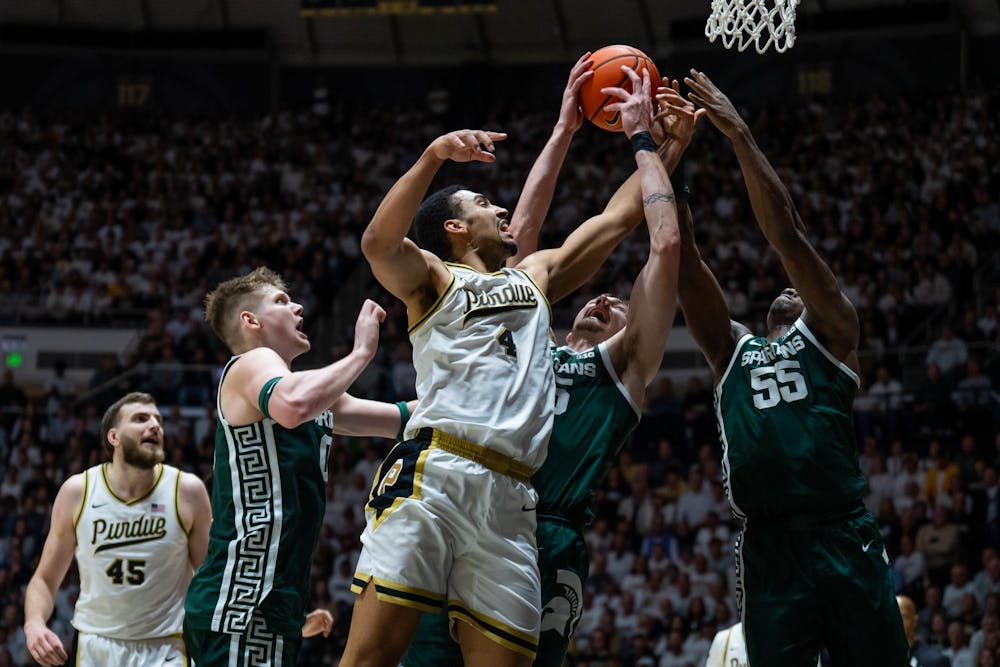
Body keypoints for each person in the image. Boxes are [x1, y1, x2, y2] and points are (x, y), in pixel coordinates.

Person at [346, 57, 687, 667]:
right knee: (370, 659)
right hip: (438, 473)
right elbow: (376, 243)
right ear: (455, 227)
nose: (503, 211)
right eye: (484, 202)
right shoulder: (432, 278)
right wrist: (433, 157)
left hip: (512, 499)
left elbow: (618, 219)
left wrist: (657, 144)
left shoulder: (534, 277)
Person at [660, 70, 908, 666]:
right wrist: (675, 164)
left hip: (841, 532)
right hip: (768, 545)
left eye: (797, 290)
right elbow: (686, 263)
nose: (787, 289)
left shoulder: (833, 335)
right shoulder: (731, 353)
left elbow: (787, 236)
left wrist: (739, 134)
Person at [183, 268, 405, 666]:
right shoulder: (250, 363)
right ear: (250, 321)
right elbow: (292, 406)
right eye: (282, 301)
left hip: (272, 606)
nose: (298, 305)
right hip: (240, 601)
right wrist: (361, 353)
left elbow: (400, 420)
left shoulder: (307, 391)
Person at [23, 392, 212, 666]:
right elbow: (45, 579)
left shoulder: (187, 490)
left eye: (158, 420)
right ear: (114, 437)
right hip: (95, 645)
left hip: (166, 646)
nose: (155, 425)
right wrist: (34, 624)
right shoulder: (79, 491)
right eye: (140, 419)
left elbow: (210, 576)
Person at [897, 595, 950, 667]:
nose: (896, 622)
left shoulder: (936, 661)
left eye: (902, 617)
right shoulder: (879, 658)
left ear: (915, 620)